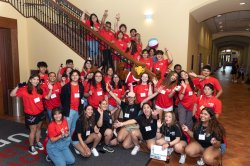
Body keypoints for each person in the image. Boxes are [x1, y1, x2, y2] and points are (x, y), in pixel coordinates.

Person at [107, 85, 161, 149]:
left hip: (134, 126)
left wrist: (157, 92)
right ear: (127, 98)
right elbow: (115, 97)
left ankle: (133, 139)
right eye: (129, 97)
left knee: (124, 143)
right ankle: (130, 139)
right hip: (126, 125)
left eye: (132, 97)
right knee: (119, 139)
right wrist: (108, 90)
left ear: (135, 98)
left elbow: (147, 99)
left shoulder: (137, 106)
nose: (130, 98)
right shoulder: (124, 104)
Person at [10, 74, 45, 155]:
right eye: (34, 79)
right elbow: (12, 94)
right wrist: (17, 86)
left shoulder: (40, 89)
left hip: (40, 112)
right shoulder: (24, 89)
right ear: (30, 80)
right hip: (31, 114)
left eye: (37, 79)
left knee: (39, 128)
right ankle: (31, 146)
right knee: (33, 130)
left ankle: (37, 142)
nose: (36, 81)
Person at [60, 69, 84, 136]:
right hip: (69, 110)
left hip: (78, 110)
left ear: (79, 76)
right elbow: (62, 99)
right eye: (73, 75)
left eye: (76, 75)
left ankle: (70, 141)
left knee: (74, 127)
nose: (74, 76)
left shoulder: (81, 86)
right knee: (67, 128)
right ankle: (66, 144)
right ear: (70, 76)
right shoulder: (65, 87)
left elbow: (81, 97)